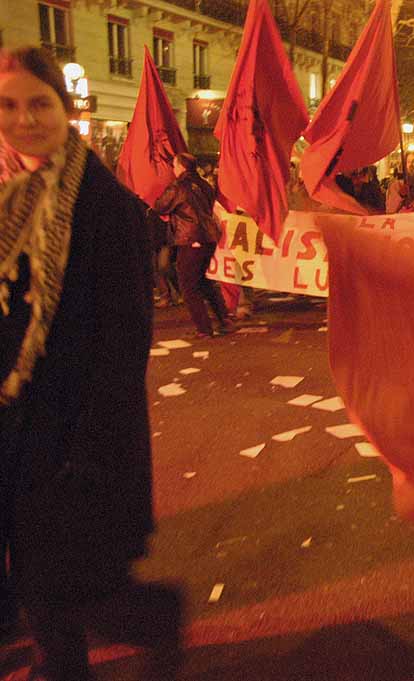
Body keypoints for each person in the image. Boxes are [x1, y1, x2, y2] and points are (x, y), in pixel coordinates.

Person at [0, 46, 182, 681]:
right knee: (44, 573)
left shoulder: (105, 206)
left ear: (66, 110)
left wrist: (92, 447)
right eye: (9, 105)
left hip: (72, 428)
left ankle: (135, 628)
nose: (25, 119)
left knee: (54, 580)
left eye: (39, 104)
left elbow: (125, 340)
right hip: (19, 420)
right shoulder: (19, 199)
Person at [154, 152, 235, 338]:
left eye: (174, 165)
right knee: (204, 281)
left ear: (181, 166)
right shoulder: (204, 184)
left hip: (191, 238)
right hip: (208, 237)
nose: (173, 169)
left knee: (188, 285)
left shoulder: (179, 186)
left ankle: (204, 328)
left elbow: (160, 205)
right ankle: (225, 319)